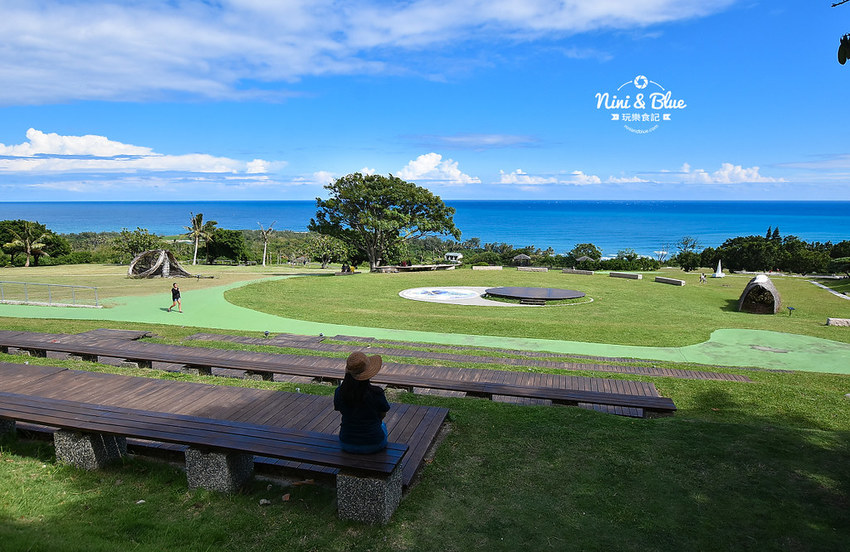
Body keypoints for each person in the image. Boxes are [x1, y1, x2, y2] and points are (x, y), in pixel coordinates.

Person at [334, 352, 390, 454]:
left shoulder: (339, 392)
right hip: (374, 443)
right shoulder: (376, 393)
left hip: (346, 443)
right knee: (383, 426)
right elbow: (383, 414)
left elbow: (340, 409)